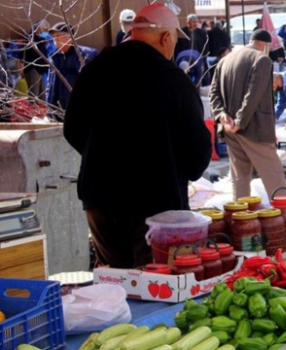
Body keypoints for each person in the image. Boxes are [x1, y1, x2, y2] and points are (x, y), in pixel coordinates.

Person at [63, 2, 211, 268]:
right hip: (156, 205)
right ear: (166, 37)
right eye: (174, 41)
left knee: (115, 278)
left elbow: (72, 129)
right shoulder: (174, 80)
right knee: (154, 279)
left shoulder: (95, 71)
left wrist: (101, 158)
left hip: (100, 197)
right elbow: (197, 153)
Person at [210, 29, 286, 200]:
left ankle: (241, 220)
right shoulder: (262, 59)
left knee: (240, 179)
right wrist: (240, 120)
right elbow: (254, 93)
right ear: (265, 45)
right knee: (274, 177)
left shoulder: (225, 60)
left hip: (229, 128)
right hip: (253, 128)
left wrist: (221, 115)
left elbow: (213, 93)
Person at [48, 22, 98, 110]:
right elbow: (50, 86)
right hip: (59, 111)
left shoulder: (85, 56)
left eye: (58, 35)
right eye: (53, 36)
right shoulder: (54, 58)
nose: (55, 39)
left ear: (69, 37)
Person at [22, 19, 50, 99]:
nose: (46, 32)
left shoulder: (42, 39)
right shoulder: (31, 38)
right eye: (45, 29)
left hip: (41, 70)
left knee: (42, 96)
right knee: (34, 96)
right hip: (33, 69)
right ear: (38, 28)